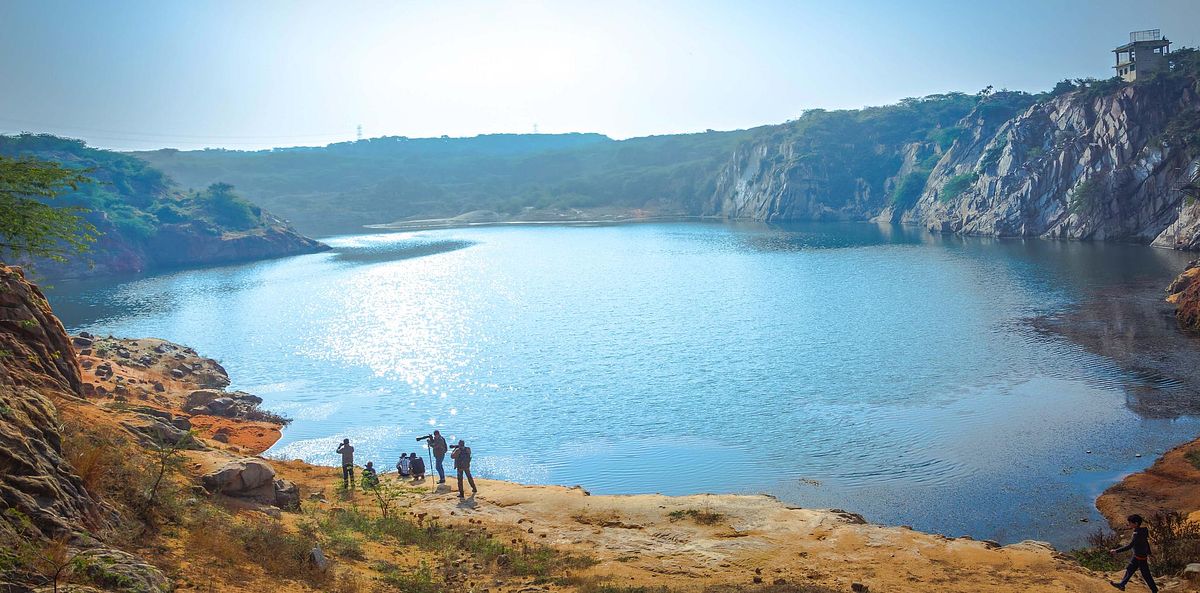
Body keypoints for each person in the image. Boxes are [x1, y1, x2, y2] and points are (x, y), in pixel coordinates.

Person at [1109, 514, 1158, 592]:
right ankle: (1122, 584)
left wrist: (1116, 551)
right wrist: (1149, 553)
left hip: (1140, 557)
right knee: (1130, 569)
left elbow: (1129, 546)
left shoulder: (1137, 534)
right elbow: (1146, 542)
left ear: (1136, 524)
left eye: (1130, 523)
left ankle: (1154, 590)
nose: (1129, 524)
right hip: (1137, 556)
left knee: (1146, 575)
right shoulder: (1143, 531)